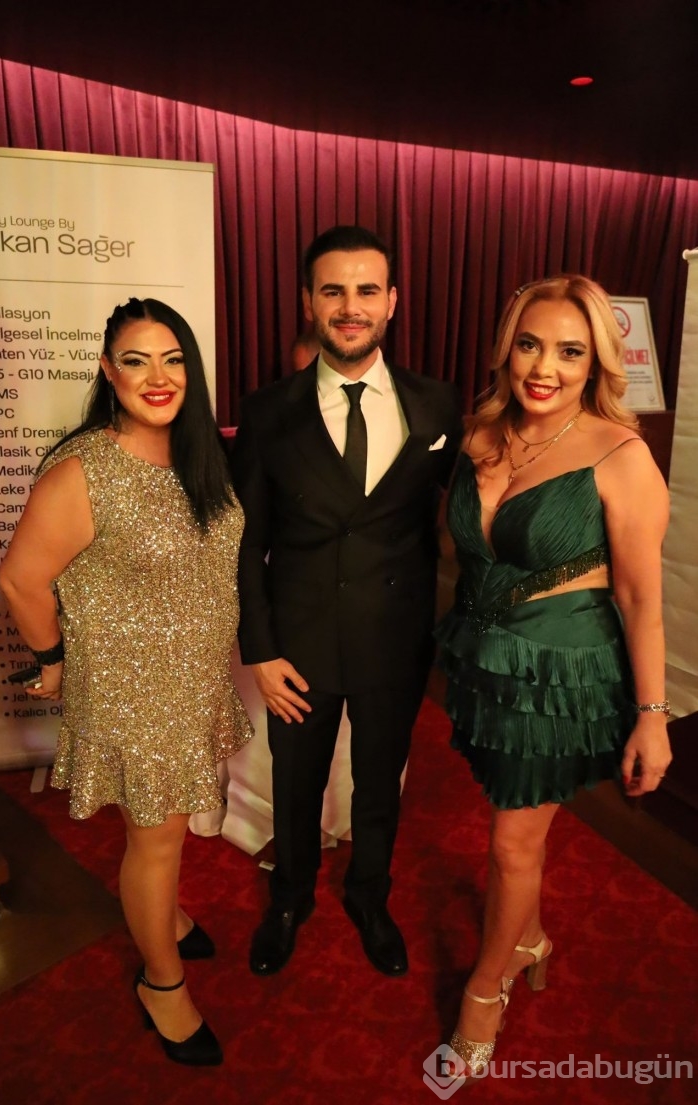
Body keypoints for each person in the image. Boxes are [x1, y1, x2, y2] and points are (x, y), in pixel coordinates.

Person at [0, 297, 253, 1066]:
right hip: (135, 689)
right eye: (137, 361)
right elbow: (20, 579)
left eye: (173, 359)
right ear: (108, 372)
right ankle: (161, 982)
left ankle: (164, 919)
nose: (157, 376)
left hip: (192, 678)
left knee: (166, 829)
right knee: (158, 837)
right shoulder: (85, 470)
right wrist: (52, 659)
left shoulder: (198, 454)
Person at [434, 275, 672, 1079]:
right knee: (510, 818)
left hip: (561, 675)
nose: (545, 367)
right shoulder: (481, 434)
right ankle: (530, 937)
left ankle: (485, 991)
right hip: (483, 663)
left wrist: (652, 713)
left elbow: (640, 598)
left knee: (512, 841)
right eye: (531, 345)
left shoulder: (621, 455)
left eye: (571, 351)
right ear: (508, 348)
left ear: (596, 361)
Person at [231, 225, 462, 977]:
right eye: (333, 290)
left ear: (392, 301)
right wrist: (260, 648)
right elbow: (245, 543)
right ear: (309, 301)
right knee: (295, 784)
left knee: (380, 785)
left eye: (367, 290)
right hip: (298, 644)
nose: (350, 306)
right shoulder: (268, 412)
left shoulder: (438, 405)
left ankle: (370, 894)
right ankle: (290, 896)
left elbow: (460, 520)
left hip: (395, 640)